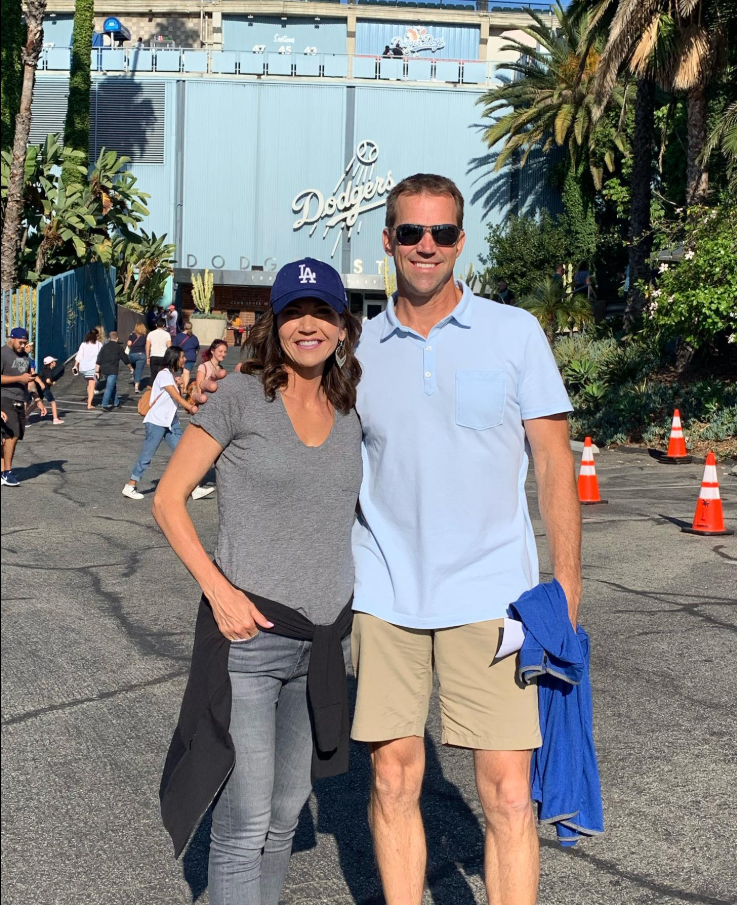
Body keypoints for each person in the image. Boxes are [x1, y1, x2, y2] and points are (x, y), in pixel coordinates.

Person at [194, 176, 583, 905]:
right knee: (394, 777)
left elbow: (554, 463)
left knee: (505, 794)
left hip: (493, 599)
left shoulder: (513, 332)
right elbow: (290, 397)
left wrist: (566, 580)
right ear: (387, 241)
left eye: (440, 233)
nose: (425, 247)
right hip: (384, 597)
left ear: (461, 240)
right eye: (410, 233)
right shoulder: (360, 347)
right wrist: (214, 391)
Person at [156, 259, 363, 905]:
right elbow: (168, 498)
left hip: (324, 643)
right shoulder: (242, 396)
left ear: (341, 326)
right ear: (273, 325)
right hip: (249, 640)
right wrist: (220, 590)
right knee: (244, 821)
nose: (308, 325)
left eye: (321, 312)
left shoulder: (349, 406)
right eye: (295, 313)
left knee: (283, 816)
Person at [122, 347, 215, 502]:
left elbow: (174, 396)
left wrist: (179, 384)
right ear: (175, 358)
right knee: (147, 454)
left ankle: (194, 489)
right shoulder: (164, 374)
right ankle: (130, 485)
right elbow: (176, 397)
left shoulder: (170, 376)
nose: (184, 359)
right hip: (157, 421)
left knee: (184, 454)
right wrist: (190, 407)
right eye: (182, 357)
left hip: (171, 422)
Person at [1, 327, 33, 486]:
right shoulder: (3, 353)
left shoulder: (26, 357)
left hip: (20, 400)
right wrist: (19, 377)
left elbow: (27, 379)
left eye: (25, 343)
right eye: (20, 342)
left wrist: (35, 398)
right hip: (4, 397)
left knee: (14, 435)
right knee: (12, 432)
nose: (22, 345)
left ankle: (2, 471)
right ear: (11, 338)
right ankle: (7, 473)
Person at [95, 331, 131, 411]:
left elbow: (99, 359)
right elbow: (125, 359)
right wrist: (130, 368)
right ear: (117, 338)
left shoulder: (104, 347)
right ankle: (104, 404)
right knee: (109, 387)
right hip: (113, 370)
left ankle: (116, 402)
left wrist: (97, 371)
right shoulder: (119, 347)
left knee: (112, 385)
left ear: (109, 338)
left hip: (105, 369)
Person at [74, 328, 103, 410]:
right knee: (92, 386)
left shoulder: (83, 344)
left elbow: (79, 356)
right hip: (92, 367)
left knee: (89, 385)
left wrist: (75, 366)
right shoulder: (98, 344)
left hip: (83, 368)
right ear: (96, 336)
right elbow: (101, 356)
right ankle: (89, 404)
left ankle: (89, 401)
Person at [33, 356, 65, 424]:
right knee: (53, 402)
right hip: (45, 388)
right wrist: (52, 383)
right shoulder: (49, 371)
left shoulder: (43, 370)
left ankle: (26, 415)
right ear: (51, 363)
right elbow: (48, 380)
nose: (55, 362)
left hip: (39, 388)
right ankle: (55, 419)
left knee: (38, 402)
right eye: (53, 361)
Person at [172, 322, 200, 392]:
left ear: (184, 327)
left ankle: (183, 387)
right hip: (191, 356)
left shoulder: (179, 336)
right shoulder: (194, 337)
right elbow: (197, 347)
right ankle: (183, 387)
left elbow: (174, 346)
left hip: (181, 356)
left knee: (184, 372)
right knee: (185, 372)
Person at [146, 318, 172, 383]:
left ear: (156, 325)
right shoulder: (167, 334)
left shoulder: (150, 334)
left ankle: (154, 389)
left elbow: (147, 346)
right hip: (163, 356)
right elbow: (169, 347)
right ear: (164, 325)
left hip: (153, 356)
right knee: (164, 375)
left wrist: (147, 357)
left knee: (153, 375)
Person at [127, 323, 148, 393]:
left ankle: (132, 371)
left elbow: (129, 344)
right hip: (141, 354)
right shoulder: (145, 336)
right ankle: (136, 387)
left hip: (132, 354)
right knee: (138, 370)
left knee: (133, 366)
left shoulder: (132, 335)